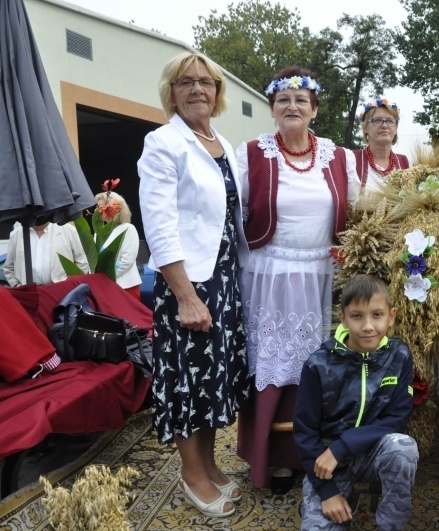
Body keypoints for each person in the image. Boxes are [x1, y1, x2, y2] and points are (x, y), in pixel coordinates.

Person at [236, 66, 361, 494]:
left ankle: (315, 455)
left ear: (315, 110)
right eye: (283, 100)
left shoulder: (339, 157)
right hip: (269, 276)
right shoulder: (251, 154)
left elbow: (360, 213)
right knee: (274, 366)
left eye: (301, 100)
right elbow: (231, 214)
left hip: (323, 276)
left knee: (317, 368)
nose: (292, 106)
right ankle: (271, 458)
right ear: (272, 108)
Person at [137, 51, 251, 518]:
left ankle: (209, 462)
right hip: (187, 284)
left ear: (217, 92)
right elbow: (159, 225)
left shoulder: (221, 141)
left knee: (214, 377)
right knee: (188, 380)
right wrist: (185, 296)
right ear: (172, 92)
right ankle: (191, 472)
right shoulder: (163, 143)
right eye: (185, 82)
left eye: (206, 82)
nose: (197, 89)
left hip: (223, 278)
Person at [294, 274, 418, 529]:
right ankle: (337, 495)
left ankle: (391, 525)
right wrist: (327, 491)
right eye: (357, 316)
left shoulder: (399, 356)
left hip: (373, 451)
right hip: (327, 462)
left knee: (403, 448)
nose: (368, 326)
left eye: (377, 315)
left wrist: (343, 446)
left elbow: (397, 419)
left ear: (391, 316)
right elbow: (305, 431)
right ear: (343, 318)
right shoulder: (319, 364)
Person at [3, 218, 89, 286]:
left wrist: (71, 285)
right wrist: (16, 286)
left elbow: (82, 262)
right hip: (29, 293)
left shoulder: (69, 230)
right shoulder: (16, 234)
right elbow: (9, 268)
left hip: (62, 292)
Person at [353, 96, 410, 192]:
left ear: (396, 128)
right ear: (365, 127)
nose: (384, 125)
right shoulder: (352, 160)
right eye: (377, 120)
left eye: (390, 121)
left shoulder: (406, 163)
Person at [94, 190, 143, 299]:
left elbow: (127, 261)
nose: (97, 210)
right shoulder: (99, 232)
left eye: (100, 206)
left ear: (113, 208)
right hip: (104, 287)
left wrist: (106, 277)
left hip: (125, 287)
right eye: (97, 206)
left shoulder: (128, 229)